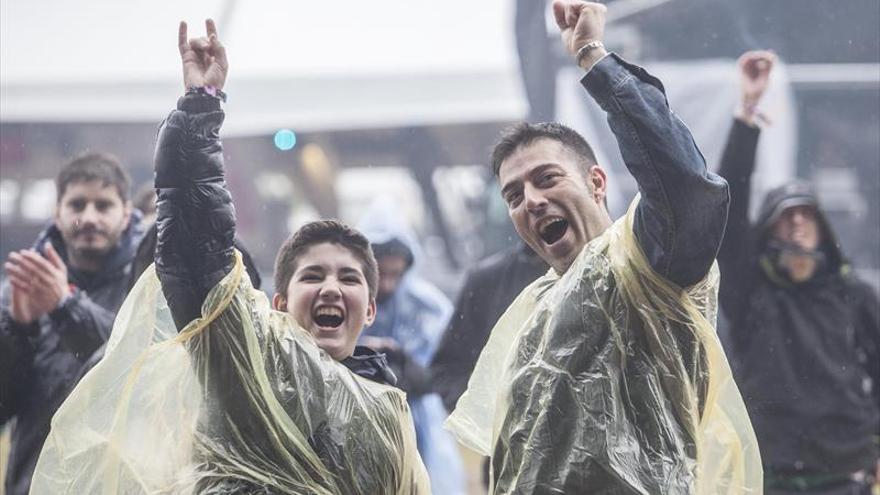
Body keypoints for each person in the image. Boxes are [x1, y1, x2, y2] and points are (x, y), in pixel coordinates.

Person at [29, 20, 428, 494]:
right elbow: (197, 249)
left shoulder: (388, 407)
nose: (329, 288)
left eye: (348, 278)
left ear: (371, 307)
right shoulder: (246, 365)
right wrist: (200, 109)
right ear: (276, 304)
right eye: (313, 275)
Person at [446, 1, 762, 493]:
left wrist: (595, 59)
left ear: (596, 182)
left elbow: (687, 183)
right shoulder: (534, 310)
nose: (531, 201)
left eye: (547, 178)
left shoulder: (649, 264)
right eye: (514, 195)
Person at [717, 50, 879, 494]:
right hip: (774, 477)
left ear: (824, 228)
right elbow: (728, 217)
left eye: (807, 214)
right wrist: (747, 113)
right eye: (786, 216)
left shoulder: (854, 294)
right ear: (768, 231)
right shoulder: (751, 292)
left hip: (848, 475)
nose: (798, 222)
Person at [0, 152, 144, 495]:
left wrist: (65, 306)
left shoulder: (146, 284)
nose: (89, 217)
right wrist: (18, 328)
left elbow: (132, 370)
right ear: (58, 214)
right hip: (35, 483)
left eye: (103, 205)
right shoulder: (19, 289)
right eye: (77, 205)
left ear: (126, 214)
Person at [356, 199, 466, 494]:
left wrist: (402, 363)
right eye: (381, 275)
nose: (389, 285)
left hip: (420, 423)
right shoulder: (348, 301)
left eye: (396, 275)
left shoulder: (427, 307)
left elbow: (444, 372)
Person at [431, 240, 547, 414]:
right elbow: (447, 369)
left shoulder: (598, 273)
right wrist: (485, 411)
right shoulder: (487, 281)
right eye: (516, 209)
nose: (536, 212)